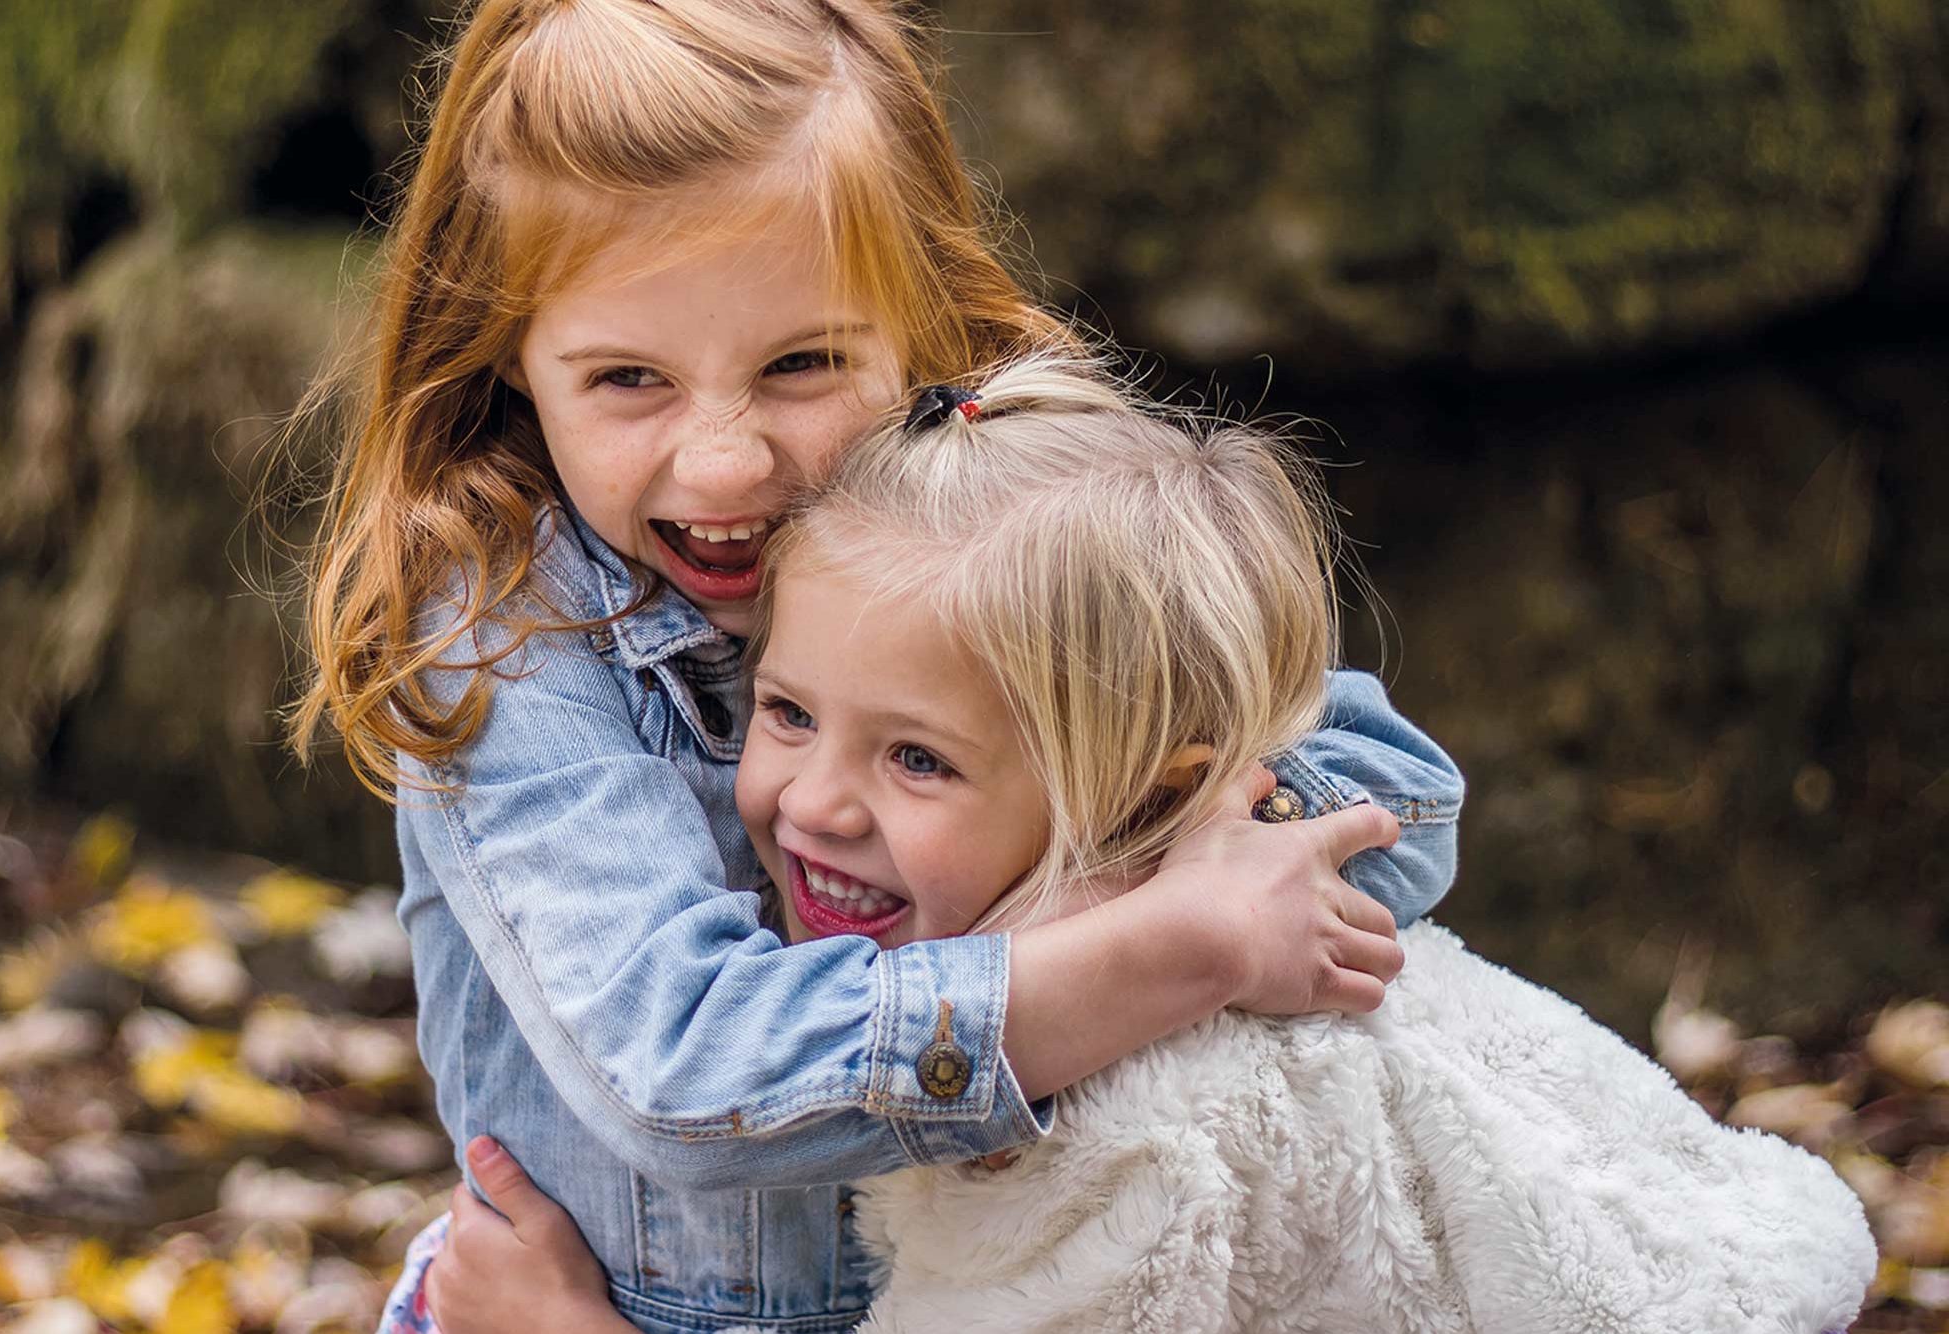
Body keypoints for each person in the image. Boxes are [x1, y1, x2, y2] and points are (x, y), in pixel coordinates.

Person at [287, 3, 1463, 1332]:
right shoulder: (506, 630)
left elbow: (1390, 792)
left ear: (915, 315)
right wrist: (1160, 946)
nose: (725, 461)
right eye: (629, 380)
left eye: (801, 364)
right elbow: (685, 1067)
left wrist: (1097, 892)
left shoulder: (1003, 514)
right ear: (508, 346)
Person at [430, 355, 1875, 1334]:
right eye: (787, 710)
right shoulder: (1181, 919)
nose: (812, 802)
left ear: (1142, 792)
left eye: (919, 757)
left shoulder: (1128, 1126)